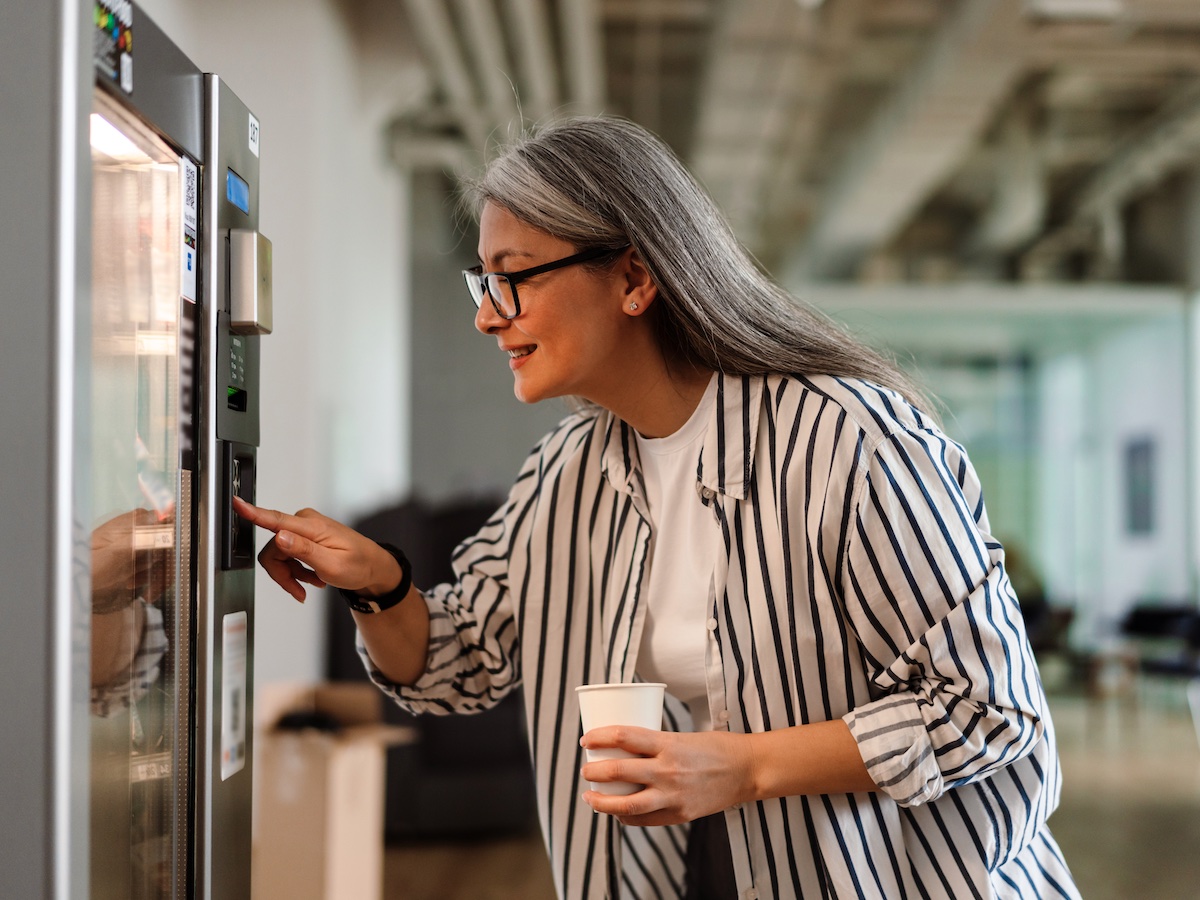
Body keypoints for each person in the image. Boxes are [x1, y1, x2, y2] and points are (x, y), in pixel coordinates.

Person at [235, 115, 1081, 900]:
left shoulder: (846, 439)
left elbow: (986, 709)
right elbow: (458, 661)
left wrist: (743, 767)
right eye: (480, 283)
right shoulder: (569, 470)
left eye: (513, 279)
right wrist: (379, 582)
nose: (489, 318)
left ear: (634, 277)